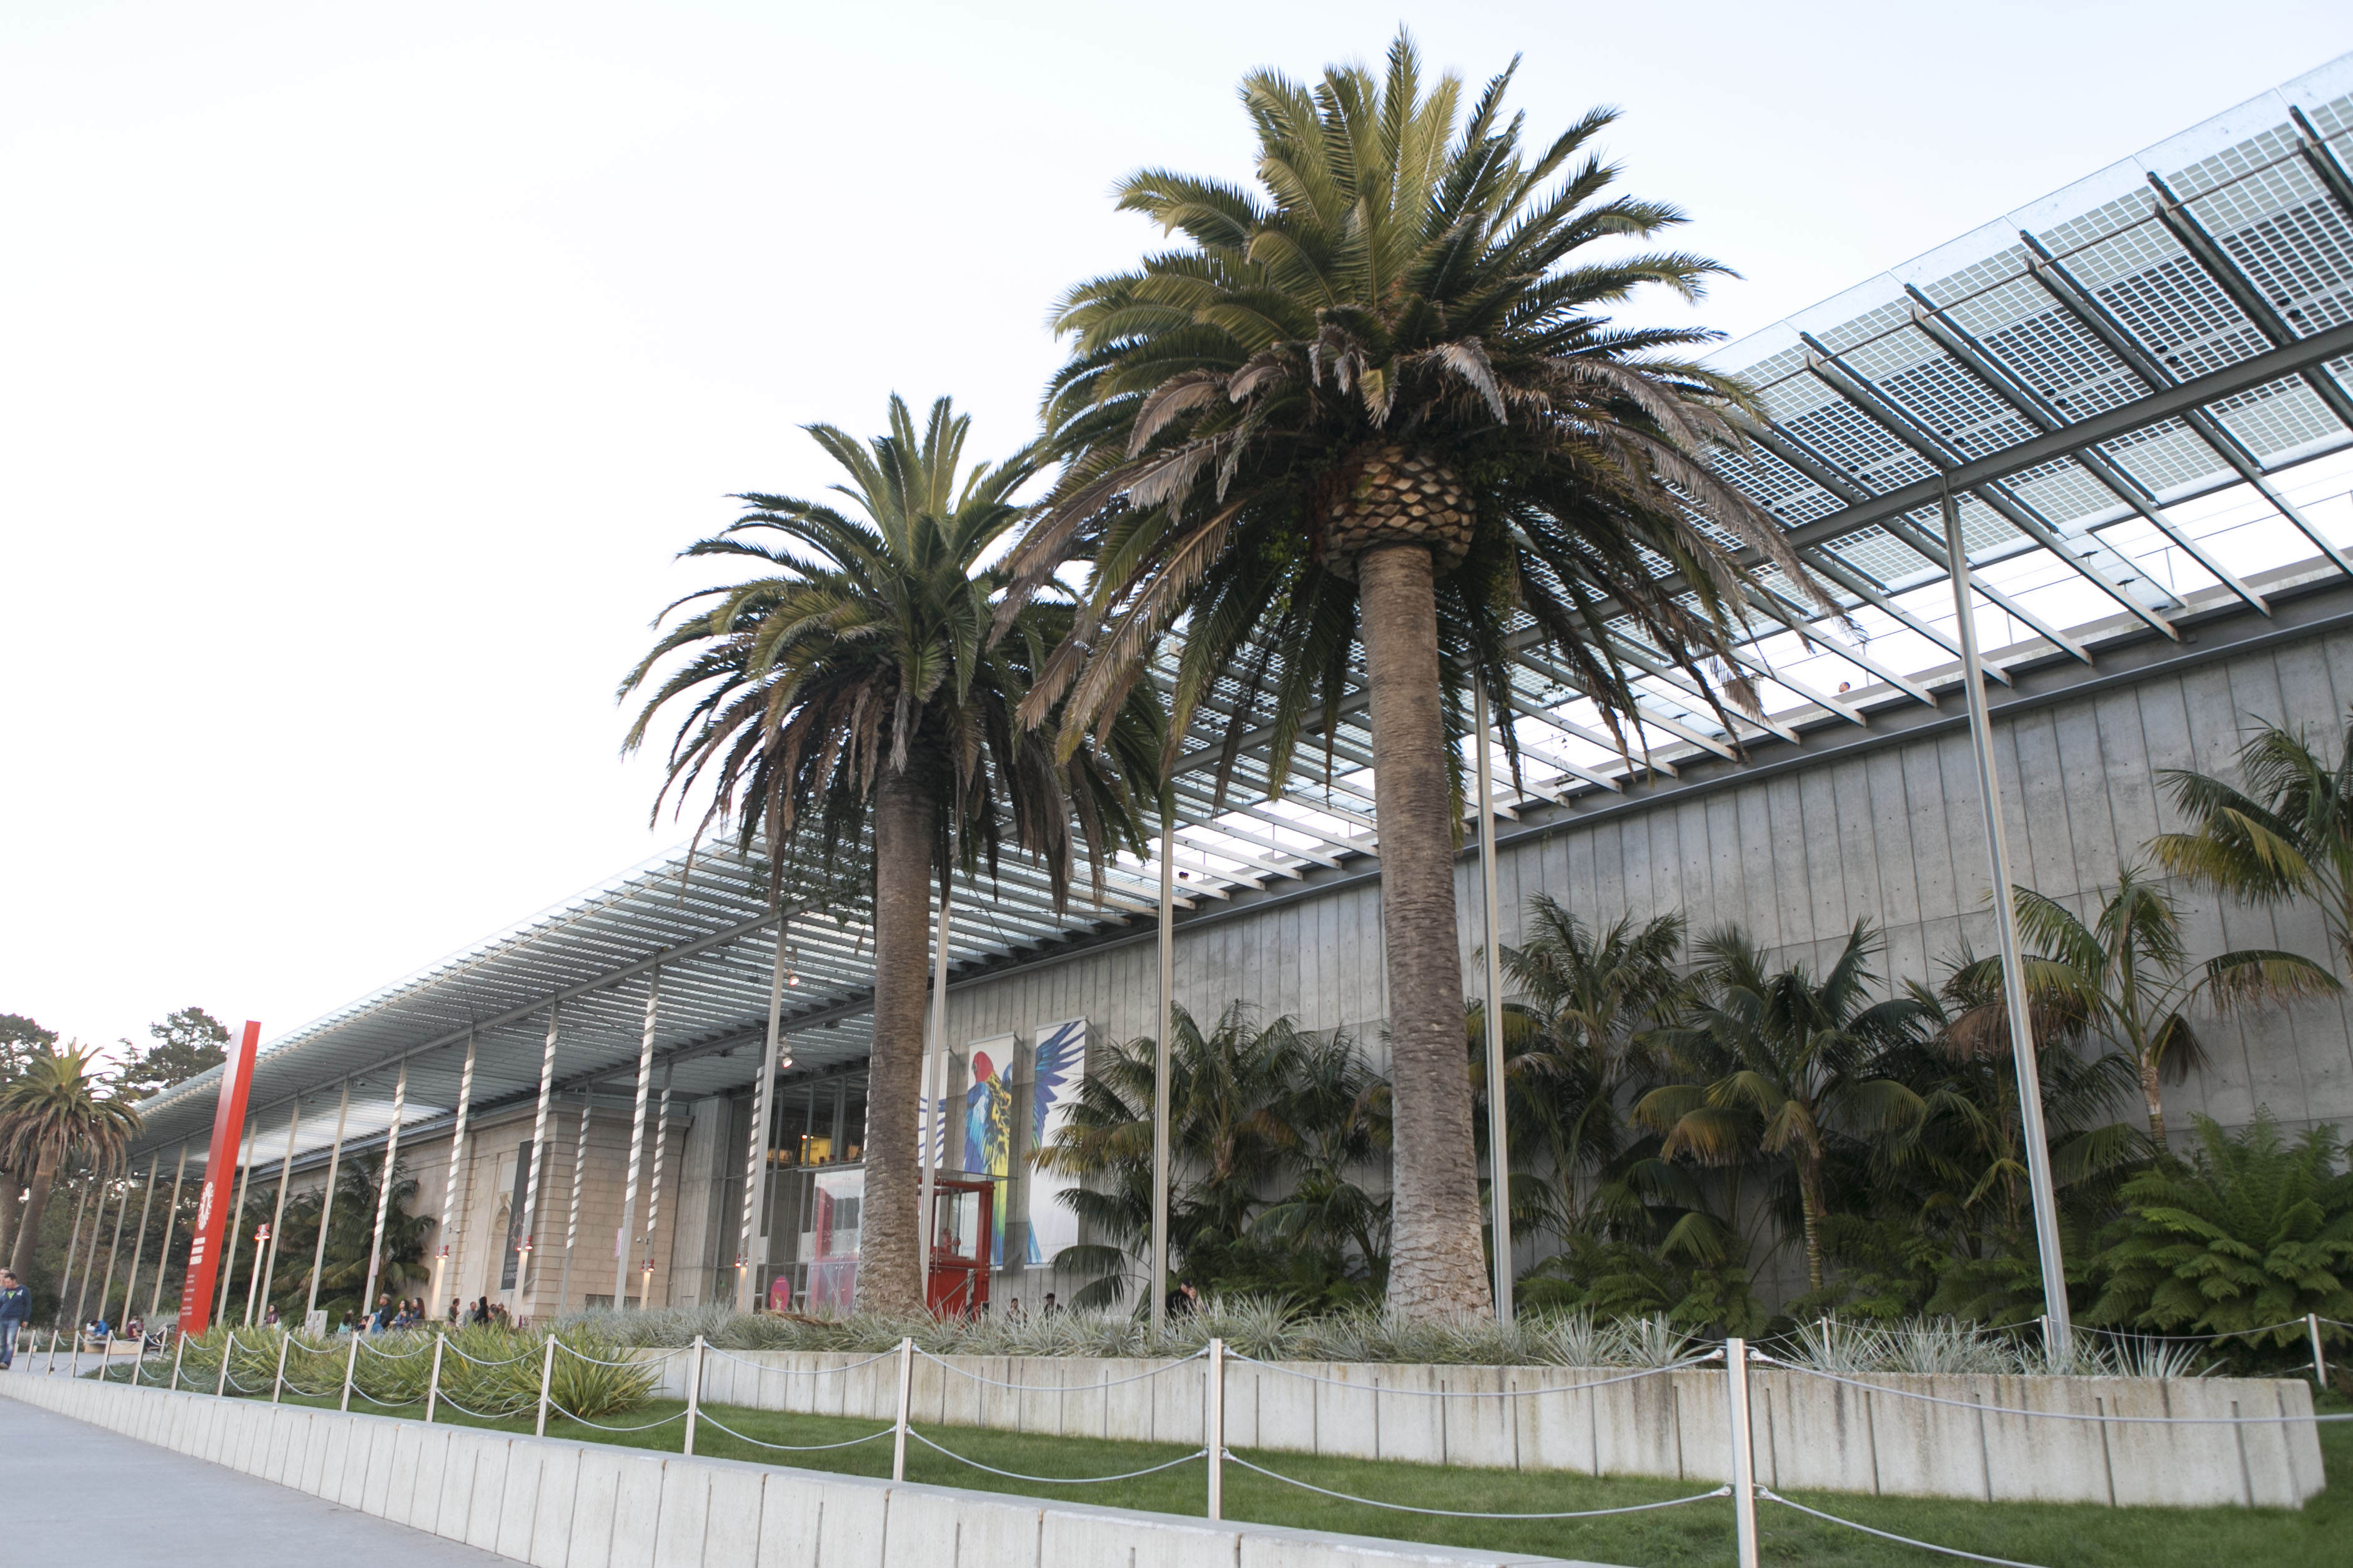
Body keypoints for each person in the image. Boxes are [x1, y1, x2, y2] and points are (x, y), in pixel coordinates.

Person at [0, 1270, 28, 1370]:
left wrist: (26, 1319)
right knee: (1, 1342)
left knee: (10, 1341)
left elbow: (28, 1305)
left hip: (14, 1319)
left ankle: (6, 1362)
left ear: (14, 1281)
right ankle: (1, 1360)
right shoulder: (4, 1291)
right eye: (5, 1282)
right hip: (2, 1318)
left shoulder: (23, 1290)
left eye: (8, 1282)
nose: (6, 1284)